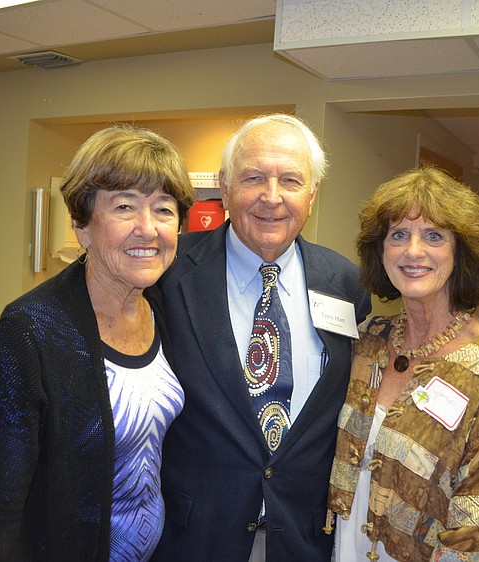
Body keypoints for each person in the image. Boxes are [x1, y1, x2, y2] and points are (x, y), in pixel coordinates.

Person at [0, 125, 196, 562]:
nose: (147, 229)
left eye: (163, 209)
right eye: (125, 206)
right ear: (83, 225)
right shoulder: (32, 329)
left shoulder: (165, 309)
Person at [152, 114, 372, 562]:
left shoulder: (346, 283)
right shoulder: (168, 275)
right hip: (195, 535)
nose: (272, 198)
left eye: (290, 180)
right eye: (254, 178)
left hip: (302, 535)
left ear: (311, 196)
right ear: (225, 186)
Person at [327, 166, 479, 561]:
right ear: (381, 251)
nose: (413, 251)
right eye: (398, 235)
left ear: (460, 252)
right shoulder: (366, 342)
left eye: (434, 236)